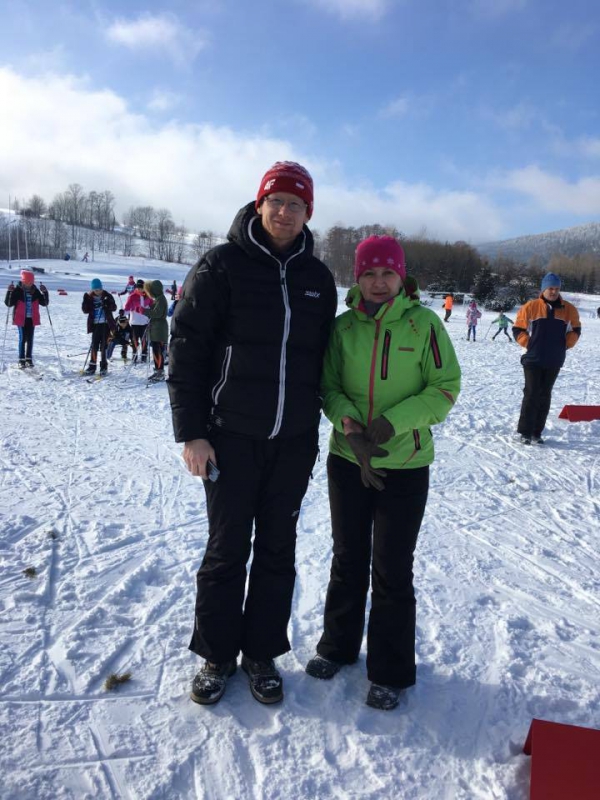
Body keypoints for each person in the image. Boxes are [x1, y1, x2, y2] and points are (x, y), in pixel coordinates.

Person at [168, 161, 337, 706]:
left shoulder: (317, 279)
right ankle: (217, 654)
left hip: (293, 442)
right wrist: (192, 433)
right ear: (259, 204)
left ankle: (261, 653)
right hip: (230, 439)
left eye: (296, 204)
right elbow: (186, 351)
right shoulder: (221, 265)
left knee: (277, 551)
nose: (285, 212)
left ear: (309, 212)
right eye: (277, 201)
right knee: (226, 549)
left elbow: (325, 361)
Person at [304, 236, 461, 710]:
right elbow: (328, 386)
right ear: (358, 277)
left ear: (401, 276)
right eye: (369, 273)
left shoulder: (424, 324)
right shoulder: (343, 327)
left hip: (405, 465)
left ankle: (390, 669)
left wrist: (393, 422)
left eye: (387, 273)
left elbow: (444, 387)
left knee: (392, 566)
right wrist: (350, 427)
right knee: (347, 556)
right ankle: (337, 646)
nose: (378, 282)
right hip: (348, 460)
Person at [513, 272, 581, 445]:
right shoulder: (531, 306)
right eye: (550, 288)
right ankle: (525, 432)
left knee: (545, 395)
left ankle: (537, 432)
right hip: (532, 359)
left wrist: (565, 345)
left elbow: (575, 329)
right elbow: (518, 328)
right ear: (543, 289)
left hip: (554, 359)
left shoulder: (569, 309)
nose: (554, 292)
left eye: (557, 288)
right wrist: (529, 344)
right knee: (531, 393)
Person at [4, 269, 49, 367]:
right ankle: (21, 359)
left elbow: (44, 303)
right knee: (22, 338)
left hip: (32, 319)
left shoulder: (35, 291)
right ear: (23, 281)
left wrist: (45, 292)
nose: (29, 285)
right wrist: (9, 292)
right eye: (27, 282)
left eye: (31, 282)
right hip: (20, 319)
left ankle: (29, 358)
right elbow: (9, 303)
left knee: (30, 339)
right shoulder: (17, 291)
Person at [82, 279, 116, 375]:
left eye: (100, 289)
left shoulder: (107, 296)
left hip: (106, 324)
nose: (98, 291)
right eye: (96, 290)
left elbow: (114, 307)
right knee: (94, 346)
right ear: (92, 290)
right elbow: (85, 310)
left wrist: (107, 304)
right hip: (95, 325)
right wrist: (86, 300)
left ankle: (103, 367)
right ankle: (92, 366)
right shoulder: (89, 297)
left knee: (104, 346)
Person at [141, 280, 168, 382]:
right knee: (155, 350)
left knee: (158, 351)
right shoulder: (158, 299)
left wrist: (145, 311)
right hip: (155, 328)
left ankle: (160, 372)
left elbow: (157, 313)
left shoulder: (161, 299)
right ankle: (157, 370)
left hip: (159, 329)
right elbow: (155, 310)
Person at [124, 279, 152, 362]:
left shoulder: (148, 297)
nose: (140, 289)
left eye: (141, 288)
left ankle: (144, 356)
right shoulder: (132, 296)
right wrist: (124, 312)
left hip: (144, 323)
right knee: (134, 341)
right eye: (138, 288)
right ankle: (134, 356)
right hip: (134, 322)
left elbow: (152, 308)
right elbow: (127, 308)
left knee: (144, 341)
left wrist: (150, 314)